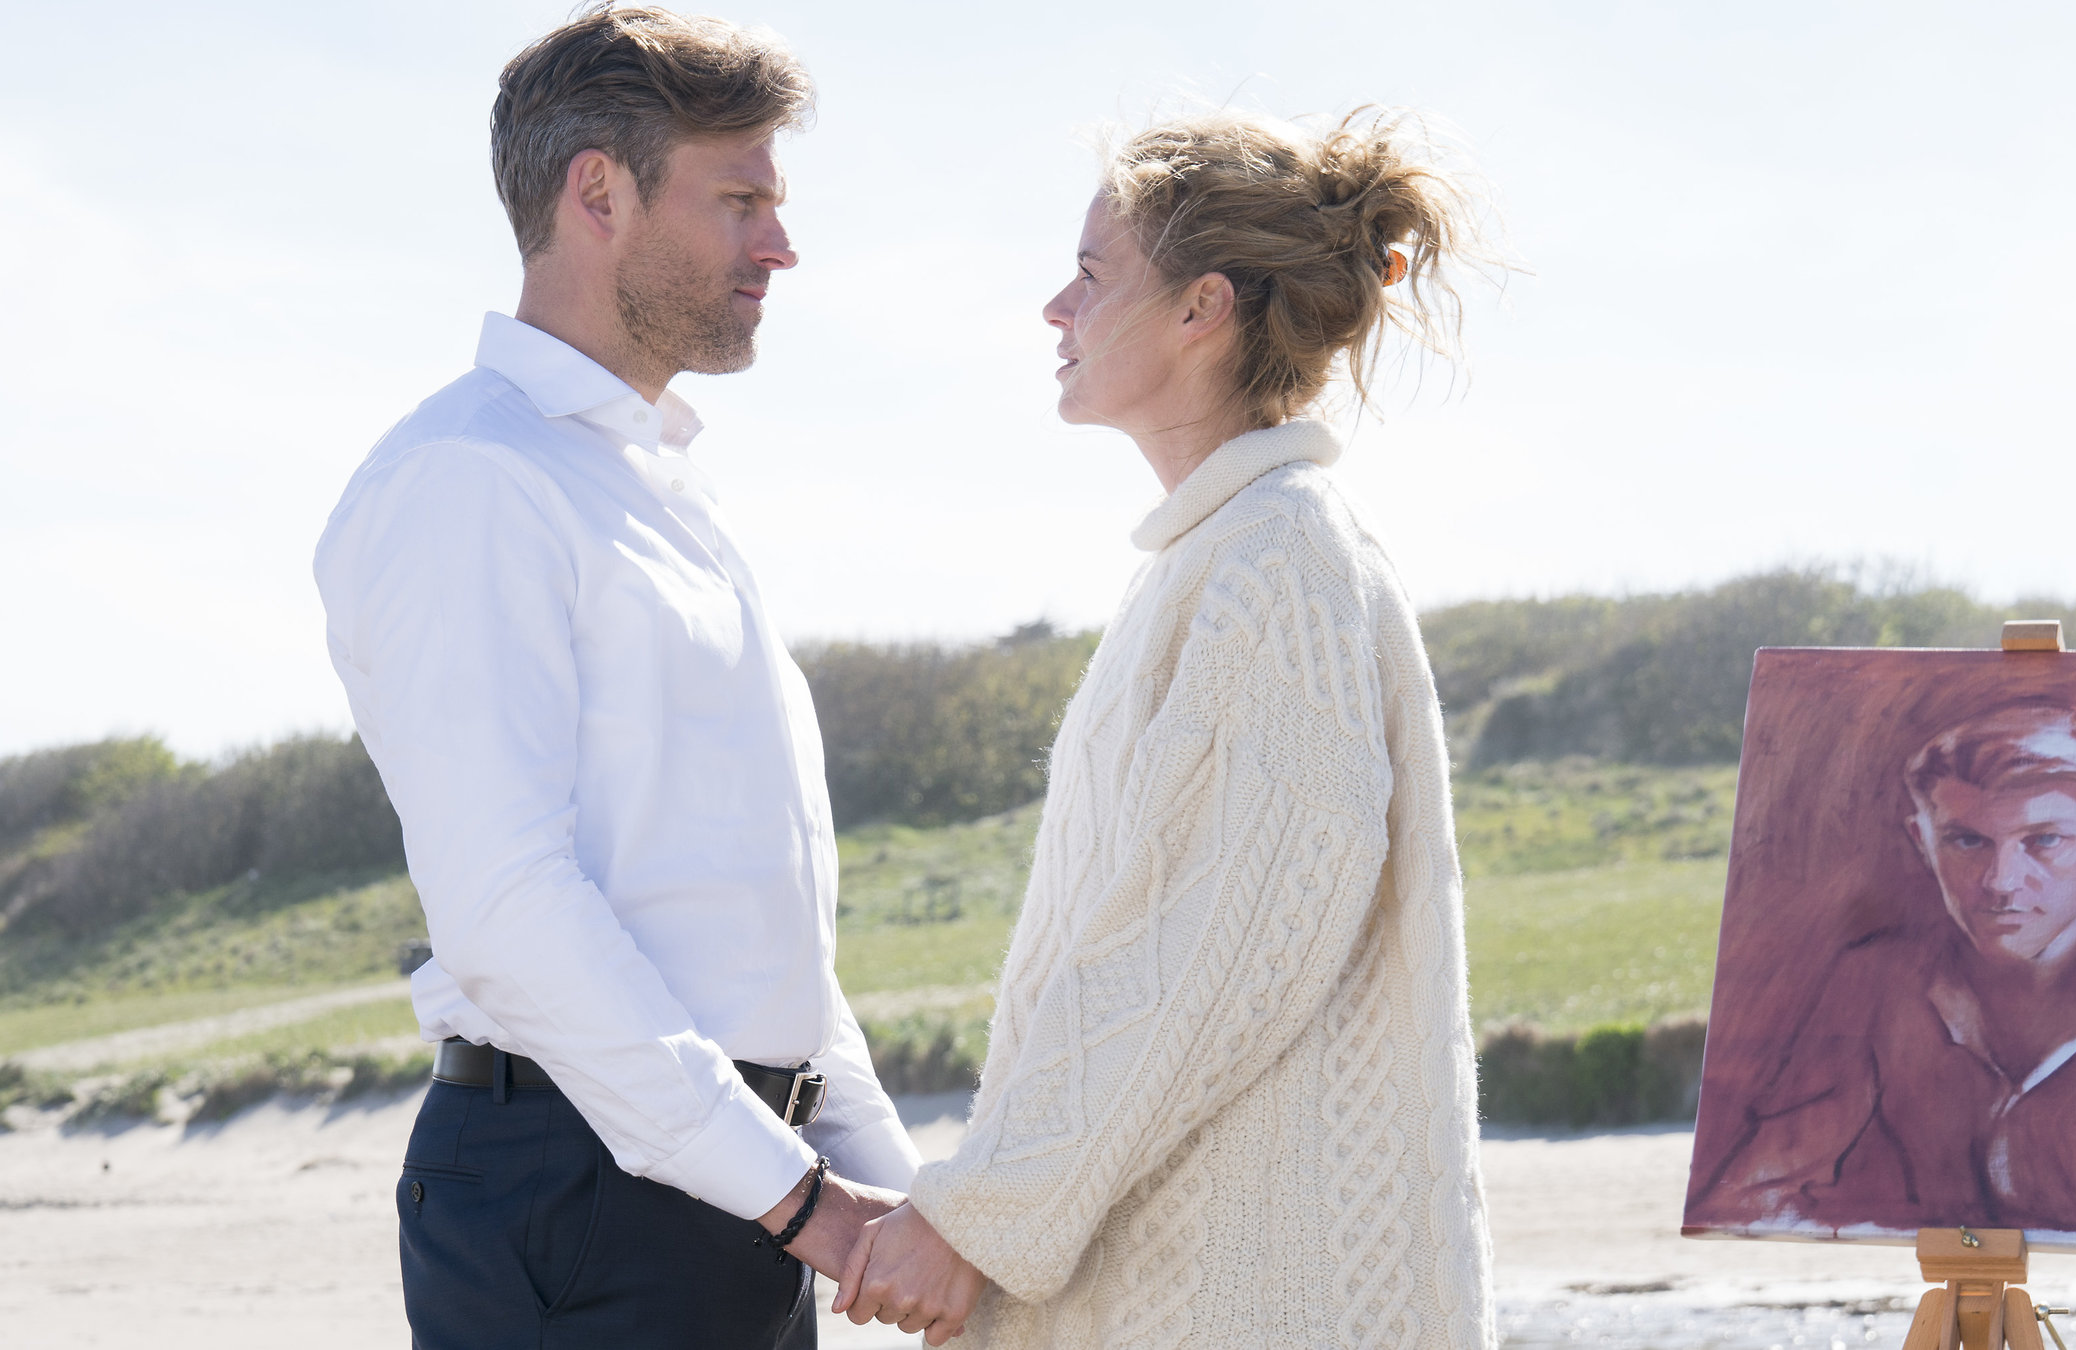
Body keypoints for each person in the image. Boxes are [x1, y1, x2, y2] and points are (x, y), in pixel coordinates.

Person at [824, 107, 1501, 1348]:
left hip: (1241, 1303)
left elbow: (1204, 954)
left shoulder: (1279, 560)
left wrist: (975, 1216)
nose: (1053, 310)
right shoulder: (1225, 557)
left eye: (1090, 275)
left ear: (1201, 310)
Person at [312, 8, 917, 1347]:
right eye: (740, 199)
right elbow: (510, 907)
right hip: (582, 1192)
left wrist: (885, 1186)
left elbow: (749, 926)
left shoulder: (652, 483)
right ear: (599, 190)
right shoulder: (473, 479)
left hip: (722, 1186)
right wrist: (808, 1204)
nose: (780, 243)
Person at [1689, 703, 2076, 1253]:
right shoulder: (1877, 982)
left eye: (2043, 841)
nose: (2000, 883)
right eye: (1966, 841)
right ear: (1922, 841)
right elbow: (1749, 1197)